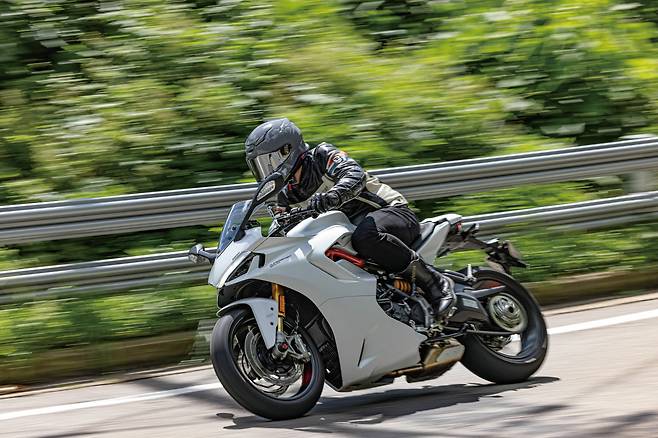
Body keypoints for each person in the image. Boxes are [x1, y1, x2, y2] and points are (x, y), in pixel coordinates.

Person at [244, 118, 455, 318]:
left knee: (365, 236)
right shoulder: (284, 194)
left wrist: (332, 196)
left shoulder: (322, 156)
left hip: (391, 212)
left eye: (268, 162)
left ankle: (436, 283)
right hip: (345, 235)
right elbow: (283, 227)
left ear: (287, 151)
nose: (266, 171)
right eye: (259, 165)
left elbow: (354, 175)